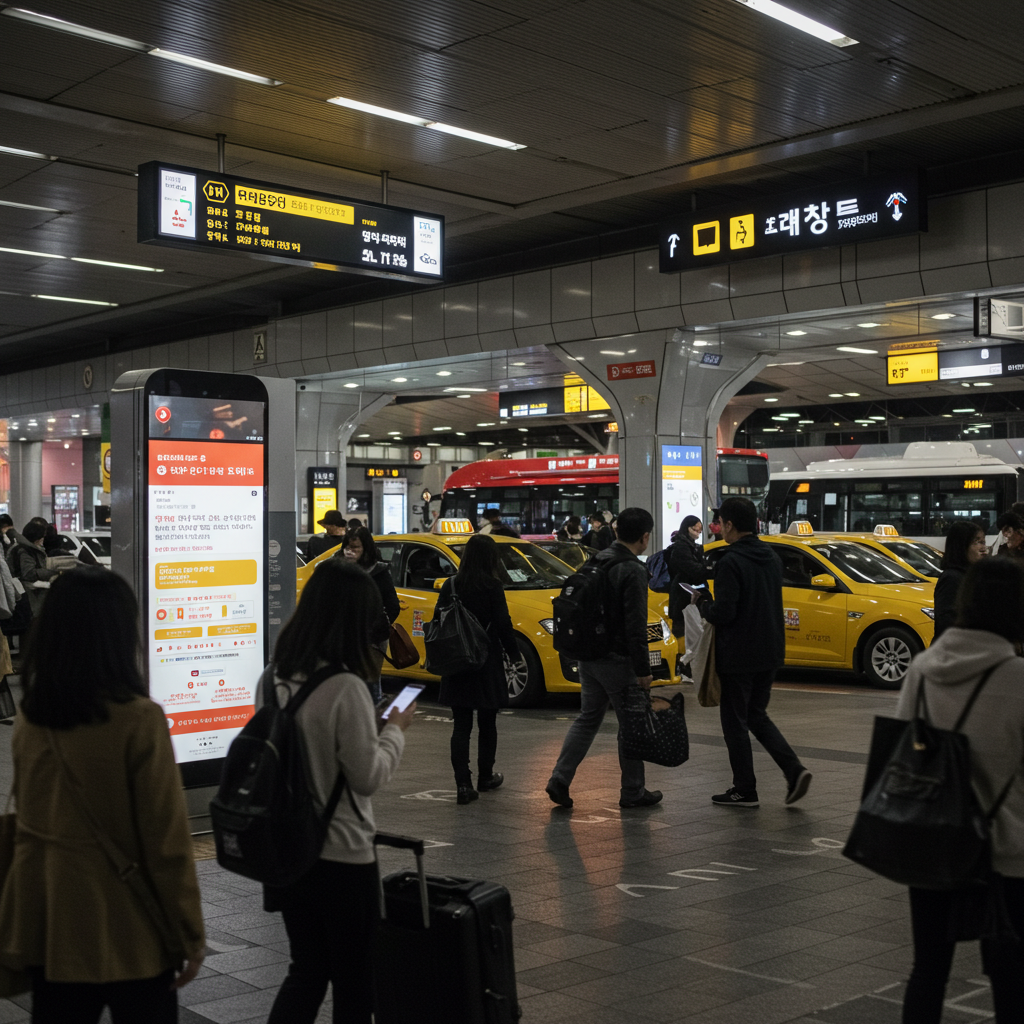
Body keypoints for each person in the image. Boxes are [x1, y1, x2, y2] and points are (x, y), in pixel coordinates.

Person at [0, 567, 205, 1022]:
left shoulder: (32, 716)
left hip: (54, 924)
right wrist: (190, 933)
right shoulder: (140, 719)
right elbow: (166, 843)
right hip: (132, 924)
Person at [266, 558, 414, 1024]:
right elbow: (367, 777)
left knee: (306, 972)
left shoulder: (272, 678)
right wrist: (395, 729)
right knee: (354, 983)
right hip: (343, 856)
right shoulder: (347, 686)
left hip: (289, 851)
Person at [895, 558, 1024, 1024]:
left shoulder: (923, 669)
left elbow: (902, 752)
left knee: (928, 971)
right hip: (1008, 852)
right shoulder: (1018, 677)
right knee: (1012, 978)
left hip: (933, 842)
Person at [695, 497, 811, 808]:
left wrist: (702, 603)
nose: (719, 528)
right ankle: (794, 770)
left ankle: (745, 789)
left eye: (721, 523)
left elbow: (725, 613)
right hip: (770, 649)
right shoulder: (770, 556)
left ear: (730, 525)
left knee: (735, 722)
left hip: (739, 654)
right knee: (756, 715)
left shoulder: (730, 562)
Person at [546, 507, 662, 810]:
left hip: (588, 655)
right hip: (617, 659)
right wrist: (643, 669)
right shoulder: (632, 569)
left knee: (588, 719)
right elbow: (635, 625)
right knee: (631, 724)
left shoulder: (597, 559)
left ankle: (560, 778)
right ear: (645, 536)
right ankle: (633, 790)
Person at [435, 534, 519, 804]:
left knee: (461, 726)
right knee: (487, 722)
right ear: (490, 558)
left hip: (457, 661)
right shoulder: (492, 586)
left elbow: (438, 621)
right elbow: (503, 623)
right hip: (485, 662)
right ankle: (485, 776)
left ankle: (463, 785)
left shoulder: (451, 585)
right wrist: (514, 654)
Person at [339, 525, 401, 702]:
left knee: (369, 684)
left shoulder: (378, 571)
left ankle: (371, 713)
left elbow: (392, 605)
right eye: (348, 547)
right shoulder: (338, 569)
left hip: (372, 640)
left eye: (356, 547)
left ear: (365, 548)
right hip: (343, 637)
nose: (351, 551)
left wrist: (378, 627)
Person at [933, 519, 986, 639]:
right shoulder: (951, 578)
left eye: (983, 542)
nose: (983, 548)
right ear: (961, 547)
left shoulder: (973, 576)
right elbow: (947, 622)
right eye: (977, 542)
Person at [668, 516, 706, 665]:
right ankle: (682, 664)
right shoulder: (681, 547)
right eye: (695, 530)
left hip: (687, 595)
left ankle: (687, 664)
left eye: (699, 531)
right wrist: (707, 569)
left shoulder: (691, 546)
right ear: (687, 528)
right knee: (682, 632)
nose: (697, 533)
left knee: (691, 632)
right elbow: (692, 569)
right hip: (681, 596)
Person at [7, 520, 58, 616]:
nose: (43, 539)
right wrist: (50, 572)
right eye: (42, 536)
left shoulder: (28, 548)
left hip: (29, 593)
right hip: (29, 594)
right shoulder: (25, 550)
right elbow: (29, 573)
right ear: (36, 538)